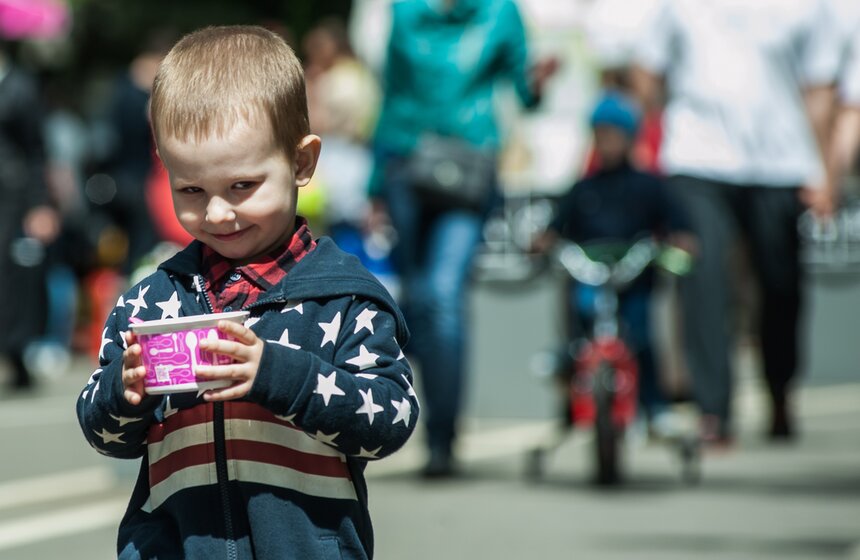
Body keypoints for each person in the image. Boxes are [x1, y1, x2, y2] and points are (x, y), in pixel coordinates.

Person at [76, 26, 419, 559]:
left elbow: (390, 420)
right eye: (191, 189)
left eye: (242, 186)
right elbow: (108, 439)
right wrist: (124, 390)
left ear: (301, 163)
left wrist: (278, 375)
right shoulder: (152, 301)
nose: (217, 213)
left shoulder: (344, 298)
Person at [631, 0, 842, 445]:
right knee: (704, 278)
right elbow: (647, 70)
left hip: (781, 162)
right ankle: (713, 409)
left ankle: (780, 388)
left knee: (780, 284)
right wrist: (643, 144)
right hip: (697, 158)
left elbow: (820, 88)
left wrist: (826, 170)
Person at [370, 0, 556, 478]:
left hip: (467, 172)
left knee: (443, 295)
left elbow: (526, 96)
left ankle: (442, 438)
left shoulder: (500, 12)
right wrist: (374, 184)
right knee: (416, 300)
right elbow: (391, 93)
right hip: (407, 168)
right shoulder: (405, 11)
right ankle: (411, 414)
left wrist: (538, 81)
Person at [533, 92, 693, 434]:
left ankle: (654, 405)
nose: (606, 142)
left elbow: (678, 225)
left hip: (633, 279)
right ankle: (574, 401)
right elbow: (555, 228)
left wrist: (680, 240)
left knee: (640, 335)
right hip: (590, 277)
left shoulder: (648, 186)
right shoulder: (583, 190)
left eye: (613, 134)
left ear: (629, 137)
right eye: (600, 134)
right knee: (580, 333)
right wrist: (543, 240)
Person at [0, 43, 58, 390]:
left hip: (12, 199)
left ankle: (16, 352)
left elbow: (37, 151)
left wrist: (40, 204)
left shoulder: (20, 87)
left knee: (13, 281)